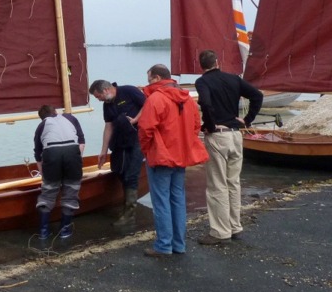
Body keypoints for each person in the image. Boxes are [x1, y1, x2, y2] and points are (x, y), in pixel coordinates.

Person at [136, 64, 209, 257]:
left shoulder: (156, 98)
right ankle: (179, 244)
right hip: (180, 156)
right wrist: (184, 145)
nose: (148, 82)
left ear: (157, 78)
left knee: (161, 201)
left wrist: (147, 150)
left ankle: (164, 245)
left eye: (150, 78)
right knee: (177, 199)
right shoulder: (187, 99)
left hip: (161, 156)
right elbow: (196, 125)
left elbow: (145, 129)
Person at [195, 49, 263, 246]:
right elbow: (257, 96)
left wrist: (209, 125)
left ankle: (220, 231)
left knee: (217, 185)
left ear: (202, 66)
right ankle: (235, 227)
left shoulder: (203, 82)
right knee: (233, 183)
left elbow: (206, 103)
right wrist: (247, 121)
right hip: (236, 135)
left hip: (219, 136)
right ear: (217, 62)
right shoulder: (233, 79)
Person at [89, 79, 145, 226]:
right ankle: (126, 206)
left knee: (132, 175)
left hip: (137, 140)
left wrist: (135, 120)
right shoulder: (107, 105)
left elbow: (148, 105)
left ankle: (129, 214)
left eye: (98, 96)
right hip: (119, 142)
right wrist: (103, 151)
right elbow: (108, 126)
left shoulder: (129, 91)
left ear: (106, 90)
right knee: (119, 171)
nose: (98, 100)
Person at [32, 105, 86, 239]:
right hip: (73, 152)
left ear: (42, 118)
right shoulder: (70, 118)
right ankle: (65, 230)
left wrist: (44, 174)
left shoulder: (42, 125)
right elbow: (81, 142)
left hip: (52, 153)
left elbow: (38, 154)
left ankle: (44, 232)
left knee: (48, 193)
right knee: (71, 190)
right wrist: (75, 161)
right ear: (56, 112)